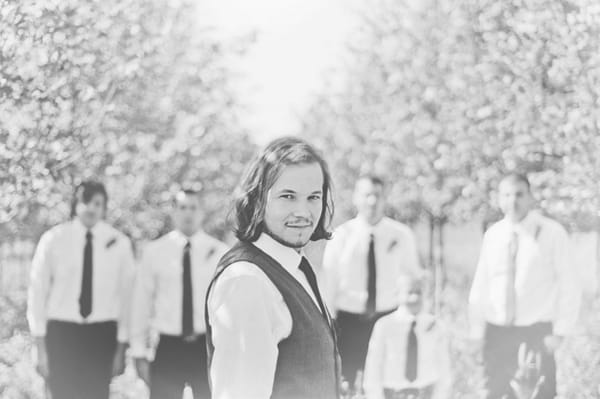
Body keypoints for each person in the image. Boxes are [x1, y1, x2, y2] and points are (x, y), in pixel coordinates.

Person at [205, 136, 340, 399]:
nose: (303, 211)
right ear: (257, 199)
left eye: (313, 197)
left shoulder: (294, 266)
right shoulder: (247, 281)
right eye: (288, 196)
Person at [469, 173, 582, 399]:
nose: (513, 201)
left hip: (536, 331)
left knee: (540, 393)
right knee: (492, 392)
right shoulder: (494, 234)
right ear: (499, 199)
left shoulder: (552, 233)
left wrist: (560, 332)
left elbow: (570, 283)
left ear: (531, 197)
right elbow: (482, 284)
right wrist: (477, 330)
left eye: (519, 194)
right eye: (507, 195)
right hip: (497, 331)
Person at [27, 180, 135, 399]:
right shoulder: (53, 240)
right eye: (86, 201)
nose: (91, 208)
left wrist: (122, 347)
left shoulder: (120, 243)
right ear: (75, 204)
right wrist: (40, 346)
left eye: (97, 203)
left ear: (104, 208)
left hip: (101, 335)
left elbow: (128, 297)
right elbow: (37, 292)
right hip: (61, 334)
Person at [323, 175, 422, 386]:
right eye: (366, 195)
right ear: (355, 198)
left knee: (387, 381)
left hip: (388, 318)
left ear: (385, 198)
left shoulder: (401, 235)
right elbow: (329, 281)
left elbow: (413, 279)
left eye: (377, 195)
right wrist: (327, 324)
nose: (372, 201)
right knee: (346, 382)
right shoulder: (341, 236)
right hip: (348, 322)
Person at [130, 188, 227, 399]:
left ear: (202, 212)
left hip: (206, 348)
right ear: (174, 212)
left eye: (193, 207)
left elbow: (227, 307)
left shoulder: (220, 253)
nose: (188, 213)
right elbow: (141, 304)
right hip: (168, 348)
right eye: (182, 207)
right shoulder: (155, 252)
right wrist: (138, 352)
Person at [363, 281, 451, 399]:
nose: (414, 297)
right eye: (409, 292)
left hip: (426, 393)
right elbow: (373, 365)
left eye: (419, 292)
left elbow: (444, 365)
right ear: (398, 294)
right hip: (393, 394)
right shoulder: (384, 325)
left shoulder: (436, 326)